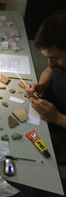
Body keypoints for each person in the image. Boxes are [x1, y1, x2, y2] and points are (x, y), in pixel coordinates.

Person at [26, 10, 66, 163]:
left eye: (56, 58)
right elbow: (51, 69)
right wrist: (43, 84)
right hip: (49, 113)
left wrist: (58, 118)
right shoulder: (58, 62)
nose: (50, 63)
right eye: (47, 57)